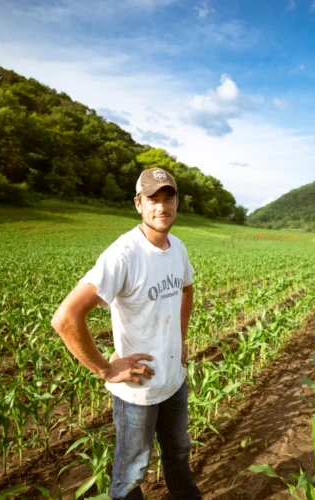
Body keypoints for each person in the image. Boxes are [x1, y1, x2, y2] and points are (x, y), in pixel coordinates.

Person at [51, 168, 202, 500]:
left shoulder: (177, 248)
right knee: (132, 473)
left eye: (168, 198)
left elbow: (187, 289)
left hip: (174, 380)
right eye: (153, 199)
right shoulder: (124, 254)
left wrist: (180, 336)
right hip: (139, 390)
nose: (161, 207)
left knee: (178, 454)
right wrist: (106, 369)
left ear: (177, 202)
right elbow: (66, 318)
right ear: (138, 204)